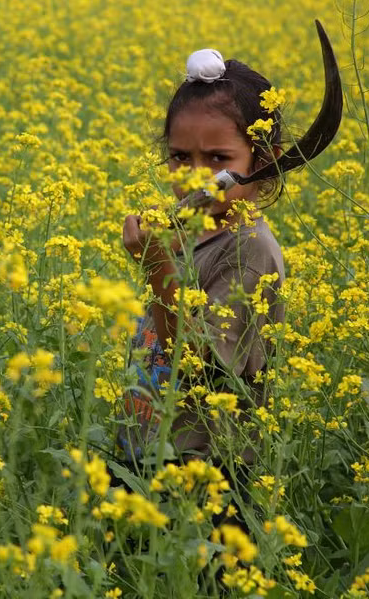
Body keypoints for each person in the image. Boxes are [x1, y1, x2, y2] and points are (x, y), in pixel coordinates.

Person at [118, 49, 286, 472]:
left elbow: (194, 356)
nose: (195, 176)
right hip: (146, 454)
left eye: (217, 159)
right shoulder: (182, 233)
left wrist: (157, 266)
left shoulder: (250, 249)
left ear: (262, 161)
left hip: (206, 470)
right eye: (180, 157)